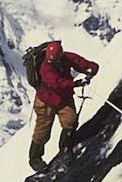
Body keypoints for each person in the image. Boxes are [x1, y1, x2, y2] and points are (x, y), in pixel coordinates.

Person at [29, 40, 98, 171]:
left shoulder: (65, 58)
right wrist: (76, 84)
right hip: (46, 102)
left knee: (70, 121)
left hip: (62, 98)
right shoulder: (45, 67)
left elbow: (79, 62)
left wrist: (91, 68)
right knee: (42, 131)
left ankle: (65, 149)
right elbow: (57, 83)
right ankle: (35, 158)